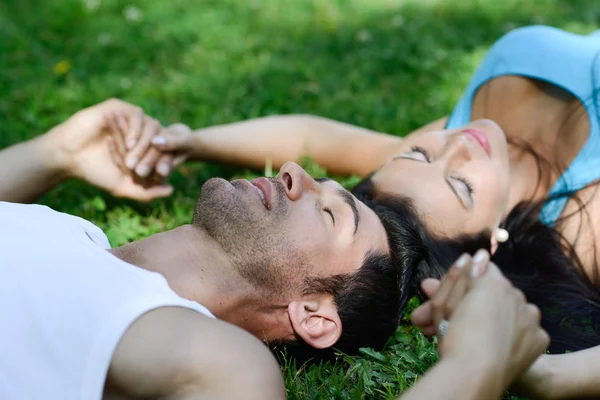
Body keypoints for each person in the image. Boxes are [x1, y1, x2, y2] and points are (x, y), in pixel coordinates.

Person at [113, 26, 600, 398]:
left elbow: (314, 136)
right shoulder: (586, 218)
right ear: (492, 241)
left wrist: (192, 141)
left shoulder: (443, 150)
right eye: (461, 185)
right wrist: (547, 374)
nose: (455, 145)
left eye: (416, 154)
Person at [0, 99, 408, 398]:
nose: (292, 171)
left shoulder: (220, 360)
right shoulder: (71, 232)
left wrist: (468, 364)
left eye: (329, 214)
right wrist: (58, 154)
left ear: (313, 317)